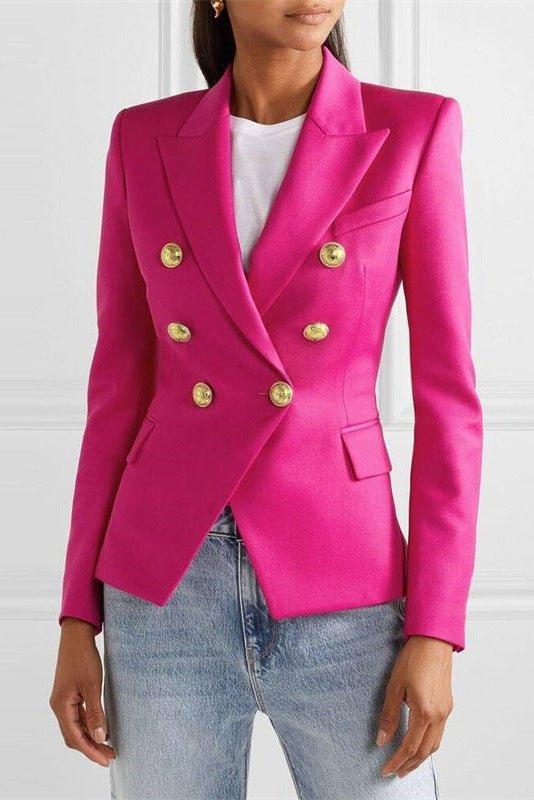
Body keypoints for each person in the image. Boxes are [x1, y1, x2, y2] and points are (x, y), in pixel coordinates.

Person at [50, 1, 483, 797]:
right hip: (164, 590)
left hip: (344, 578)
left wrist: (435, 627)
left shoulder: (413, 129)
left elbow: (449, 398)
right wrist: (79, 614)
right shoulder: (143, 138)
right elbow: (118, 390)